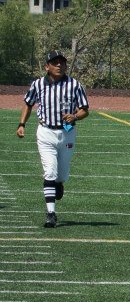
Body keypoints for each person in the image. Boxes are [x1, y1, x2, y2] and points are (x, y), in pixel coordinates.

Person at [16, 50, 90, 228]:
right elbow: (28, 104)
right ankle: (51, 214)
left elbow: (85, 109)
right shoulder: (38, 84)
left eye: (62, 62)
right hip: (46, 132)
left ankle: (59, 183)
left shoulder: (74, 85)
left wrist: (75, 116)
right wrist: (21, 124)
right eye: (55, 62)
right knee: (49, 171)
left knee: (61, 175)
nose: (59, 65)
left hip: (67, 132)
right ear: (46, 66)